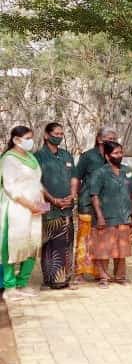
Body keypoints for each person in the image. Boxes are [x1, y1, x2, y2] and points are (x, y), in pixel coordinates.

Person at [0, 126, 45, 300]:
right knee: (12, 245)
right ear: (16, 140)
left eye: (31, 137)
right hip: (16, 208)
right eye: (27, 138)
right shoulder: (9, 159)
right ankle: (10, 287)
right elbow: (10, 187)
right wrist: (29, 205)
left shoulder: (32, 157)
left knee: (33, 244)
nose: (30, 141)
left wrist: (41, 204)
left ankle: (22, 283)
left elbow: (37, 182)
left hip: (35, 209)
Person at [88, 140, 132, 286]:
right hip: (106, 216)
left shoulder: (127, 171)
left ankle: (120, 277)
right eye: (116, 153)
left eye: (121, 152)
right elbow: (94, 196)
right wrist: (99, 216)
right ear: (107, 155)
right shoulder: (100, 173)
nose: (119, 155)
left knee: (122, 248)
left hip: (124, 216)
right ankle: (104, 277)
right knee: (104, 248)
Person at [35, 122, 79, 290]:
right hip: (46, 206)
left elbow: (74, 177)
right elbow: (36, 182)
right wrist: (52, 199)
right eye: (56, 133)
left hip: (67, 207)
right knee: (49, 243)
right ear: (46, 135)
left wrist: (72, 195)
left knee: (66, 242)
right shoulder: (38, 157)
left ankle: (65, 278)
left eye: (62, 134)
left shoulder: (67, 155)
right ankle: (50, 279)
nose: (59, 137)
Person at [75, 125, 118, 280]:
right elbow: (77, 177)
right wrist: (76, 196)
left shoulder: (113, 157)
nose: (112, 141)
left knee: (101, 240)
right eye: (109, 138)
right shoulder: (87, 156)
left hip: (106, 206)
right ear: (99, 139)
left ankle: (100, 273)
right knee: (84, 238)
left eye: (114, 139)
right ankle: (80, 272)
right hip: (87, 203)